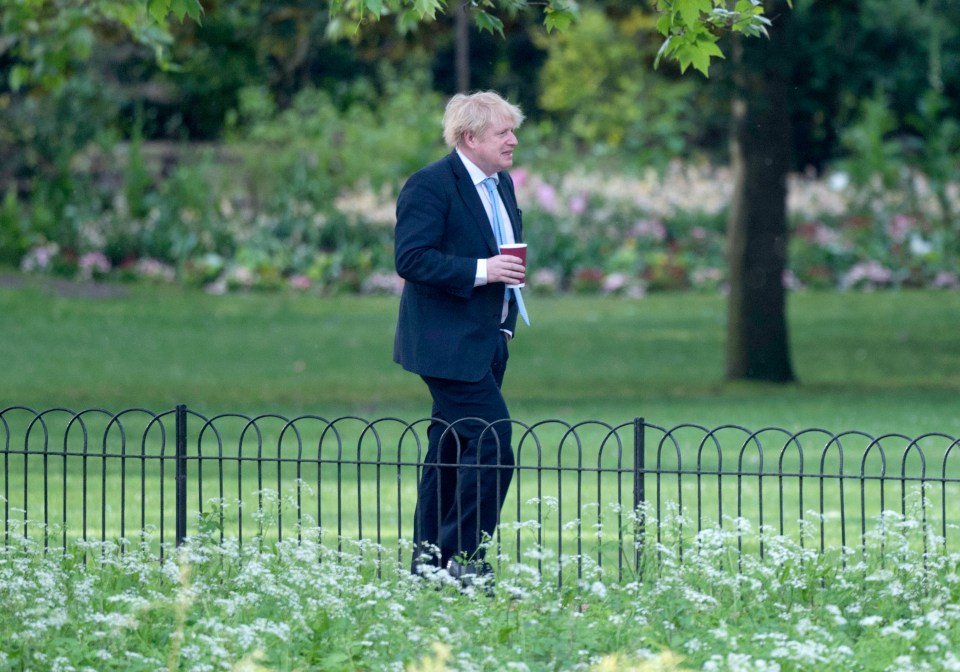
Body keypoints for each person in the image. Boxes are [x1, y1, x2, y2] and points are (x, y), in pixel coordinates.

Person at [393, 91, 529, 584]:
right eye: (503, 133)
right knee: (493, 440)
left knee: (449, 449)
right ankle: (464, 559)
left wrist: (505, 324)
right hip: (443, 345)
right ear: (470, 138)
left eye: (513, 130)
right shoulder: (430, 185)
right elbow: (411, 259)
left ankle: (427, 562)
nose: (513, 140)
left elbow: (507, 256)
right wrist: (483, 270)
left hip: (488, 341)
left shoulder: (501, 183)